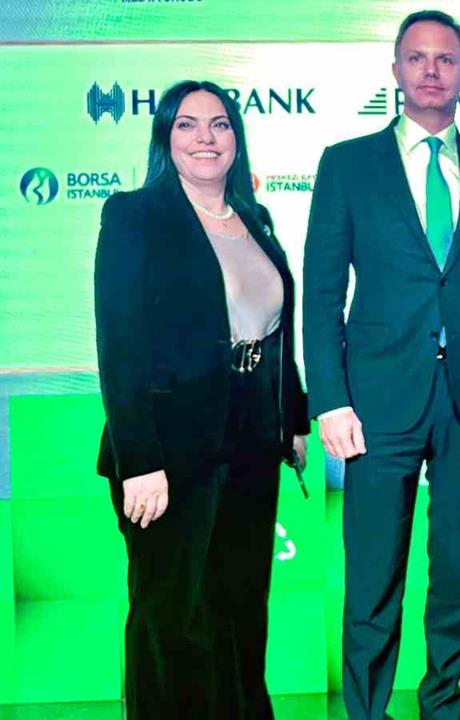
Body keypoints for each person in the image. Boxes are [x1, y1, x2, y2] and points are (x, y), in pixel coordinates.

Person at [302, 9, 460, 720]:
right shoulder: (348, 163)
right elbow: (320, 293)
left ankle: (442, 706)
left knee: (456, 570)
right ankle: (368, 711)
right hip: (375, 402)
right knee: (373, 575)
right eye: (417, 58)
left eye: (446, 59)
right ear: (396, 71)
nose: (432, 70)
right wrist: (328, 399)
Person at [94, 79, 309, 719]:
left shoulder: (255, 219)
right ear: (165, 138)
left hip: (251, 441)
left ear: (236, 139)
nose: (205, 138)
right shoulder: (135, 216)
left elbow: (275, 333)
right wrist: (140, 460)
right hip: (168, 449)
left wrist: (293, 419)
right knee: (171, 615)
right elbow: (120, 343)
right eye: (187, 125)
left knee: (239, 607)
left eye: (219, 124)